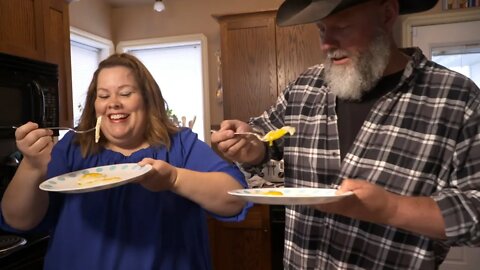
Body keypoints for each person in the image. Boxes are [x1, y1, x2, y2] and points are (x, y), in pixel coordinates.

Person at [211, 0, 480, 269]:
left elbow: (475, 210)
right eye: (322, 30)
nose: (326, 44)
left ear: (387, 14)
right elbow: (265, 137)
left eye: (342, 27)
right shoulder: (305, 87)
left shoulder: (456, 98)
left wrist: (392, 209)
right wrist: (250, 146)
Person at [0, 53, 250, 270]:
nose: (113, 103)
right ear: (94, 104)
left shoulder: (180, 146)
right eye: (103, 95)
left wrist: (174, 179)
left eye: (126, 93)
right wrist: (32, 166)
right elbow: (18, 220)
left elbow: (234, 201)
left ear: (147, 99)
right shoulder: (72, 148)